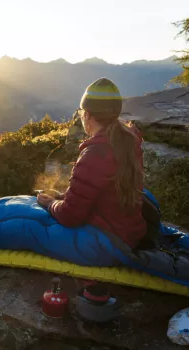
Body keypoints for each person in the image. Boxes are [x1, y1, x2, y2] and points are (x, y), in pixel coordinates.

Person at [36, 78, 147, 248]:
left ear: (87, 115)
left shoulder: (95, 153)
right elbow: (105, 193)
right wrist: (62, 197)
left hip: (107, 241)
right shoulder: (128, 143)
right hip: (130, 233)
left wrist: (50, 204)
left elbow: (69, 217)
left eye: (81, 112)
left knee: (31, 229)